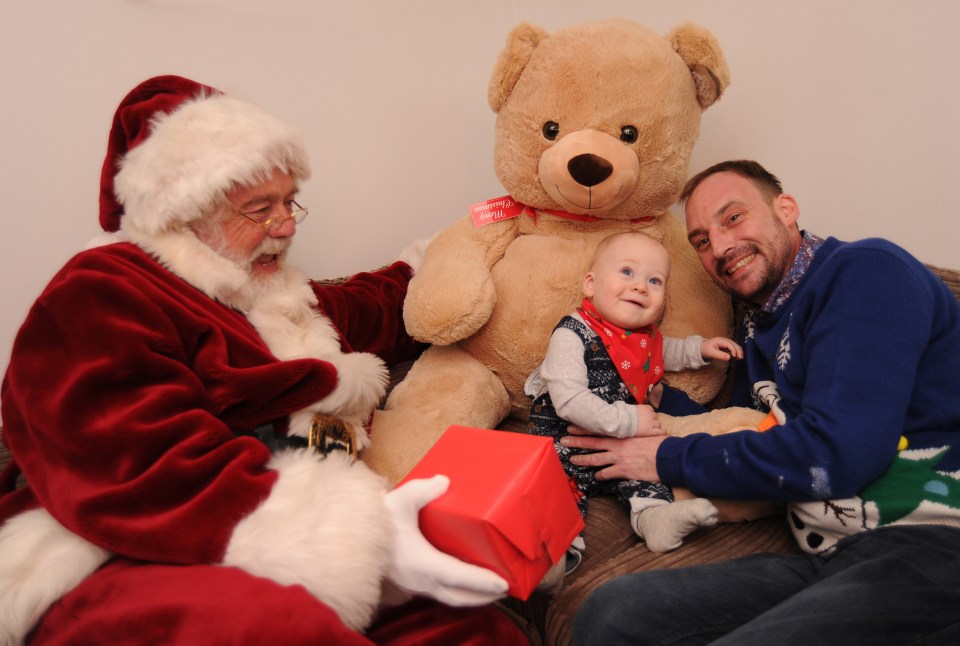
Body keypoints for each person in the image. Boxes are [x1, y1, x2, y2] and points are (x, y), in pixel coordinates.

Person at [0, 75, 529, 645]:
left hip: (299, 545)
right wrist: (359, 535)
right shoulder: (102, 291)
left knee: (473, 629)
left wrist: (469, 249)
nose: (287, 224)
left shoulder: (279, 297)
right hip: (111, 549)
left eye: (289, 201)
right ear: (186, 215)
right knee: (277, 627)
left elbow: (382, 305)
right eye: (260, 209)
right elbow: (142, 468)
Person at [568, 159, 960, 645]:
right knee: (612, 611)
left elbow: (834, 453)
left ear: (786, 209)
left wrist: (662, 458)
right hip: (832, 557)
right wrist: (649, 404)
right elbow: (741, 427)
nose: (721, 248)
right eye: (703, 241)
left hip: (934, 545)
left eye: (733, 219)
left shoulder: (867, 271)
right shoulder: (758, 327)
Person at [525, 231, 742, 558]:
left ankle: (654, 519)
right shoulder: (572, 333)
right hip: (566, 440)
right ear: (590, 285)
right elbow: (568, 400)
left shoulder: (644, 337)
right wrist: (629, 420)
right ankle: (555, 551)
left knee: (649, 476)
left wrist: (701, 349)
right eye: (627, 272)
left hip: (621, 445)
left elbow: (666, 350)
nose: (640, 286)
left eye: (654, 281)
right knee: (552, 488)